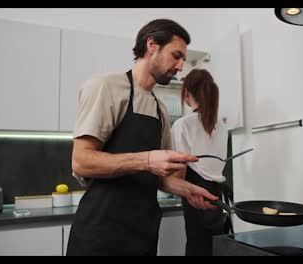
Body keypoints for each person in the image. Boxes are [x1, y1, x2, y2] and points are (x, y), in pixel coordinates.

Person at [66, 19, 218, 256]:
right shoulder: (106, 87)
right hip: (100, 234)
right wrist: (147, 160)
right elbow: (81, 161)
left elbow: (159, 179)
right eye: (176, 56)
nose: (180, 67)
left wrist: (189, 190)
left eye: (183, 60)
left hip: (143, 234)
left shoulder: (161, 110)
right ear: (152, 45)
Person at [171, 69, 230, 256]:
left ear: (186, 92)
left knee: (198, 248)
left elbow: (179, 173)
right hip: (217, 195)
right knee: (216, 249)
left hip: (195, 193)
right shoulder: (221, 126)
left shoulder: (183, 124)